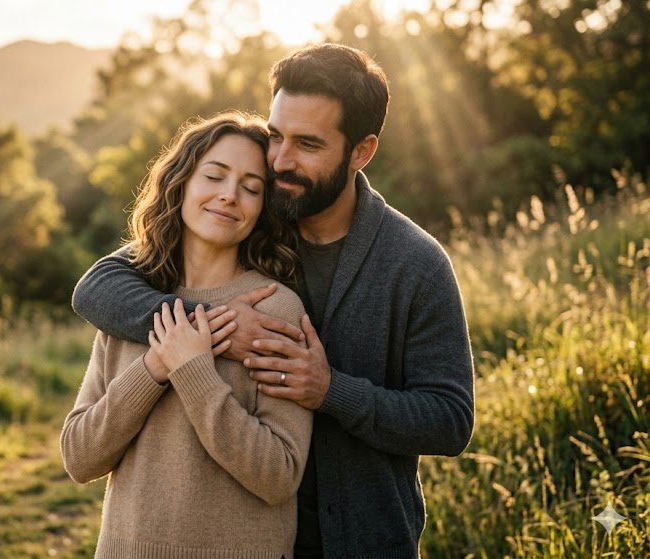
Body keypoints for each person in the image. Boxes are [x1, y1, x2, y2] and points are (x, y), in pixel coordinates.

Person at [71, 43, 475, 558]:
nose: (281, 159)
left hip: (365, 540)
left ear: (361, 151)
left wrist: (330, 390)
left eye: (307, 144)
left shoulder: (413, 263)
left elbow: (449, 420)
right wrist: (214, 327)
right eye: (277, 135)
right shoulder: (251, 214)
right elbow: (100, 284)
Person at [60, 111, 314, 558]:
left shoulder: (273, 311)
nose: (229, 196)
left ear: (262, 208)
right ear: (182, 183)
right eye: (214, 176)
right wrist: (156, 366)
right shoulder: (134, 303)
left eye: (251, 188)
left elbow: (279, 476)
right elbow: (80, 458)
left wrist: (194, 370)